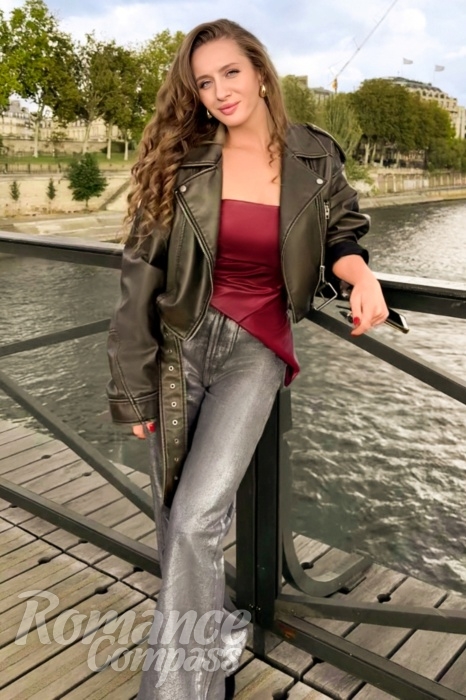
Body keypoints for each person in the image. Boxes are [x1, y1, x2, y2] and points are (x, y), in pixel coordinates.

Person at [106, 18, 388, 700]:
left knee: (195, 519)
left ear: (260, 72)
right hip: (178, 346)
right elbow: (140, 274)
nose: (220, 91)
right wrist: (132, 384)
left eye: (230, 72)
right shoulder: (183, 158)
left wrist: (359, 274)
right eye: (204, 82)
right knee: (179, 521)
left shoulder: (315, 155)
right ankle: (215, 649)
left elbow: (342, 229)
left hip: (254, 351)